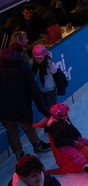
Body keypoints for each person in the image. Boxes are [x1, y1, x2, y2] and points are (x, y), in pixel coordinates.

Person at [1, 31, 51, 159]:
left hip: (3, 108)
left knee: (11, 131)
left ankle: (19, 154)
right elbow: (33, 90)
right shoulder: (23, 66)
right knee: (28, 126)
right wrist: (43, 109)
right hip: (20, 105)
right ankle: (37, 145)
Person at [30, 44, 59, 109]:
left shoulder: (49, 63)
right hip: (42, 90)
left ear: (44, 56)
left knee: (52, 108)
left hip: (50, 90)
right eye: (37, 58)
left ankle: (55, 119)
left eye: (41, 58)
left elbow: (54, 70)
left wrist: (50, 63)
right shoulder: (33, 63)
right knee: (46, 108)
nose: (39, 60)